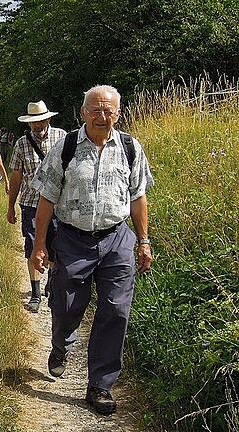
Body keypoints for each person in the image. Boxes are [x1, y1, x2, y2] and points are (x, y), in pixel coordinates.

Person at [30, 85, 154, 415]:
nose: (102, 116)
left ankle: (100, 384)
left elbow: (138, 197)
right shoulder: (66, 147)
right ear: (83, 113)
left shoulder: (129, 147)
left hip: (117, 239)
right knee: (67, 306)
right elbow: (46, 198)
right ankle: (61, 345)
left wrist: (143, 240)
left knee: (115, 310)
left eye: (108, 111)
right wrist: (39, 245)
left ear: (118, 113)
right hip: (72, 239)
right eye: (95, 110)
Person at [6, 101, 66, 313]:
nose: (37, 125)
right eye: (33, 122)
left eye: (40, 120)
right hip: (31, 203)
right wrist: (11, 206)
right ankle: (35, 292)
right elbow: (16, 176)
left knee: (56, 245)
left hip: (58, 204)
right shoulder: (22, 143)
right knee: (33, 246)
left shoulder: (62, 137)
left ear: (48, 119)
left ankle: (52, 283)